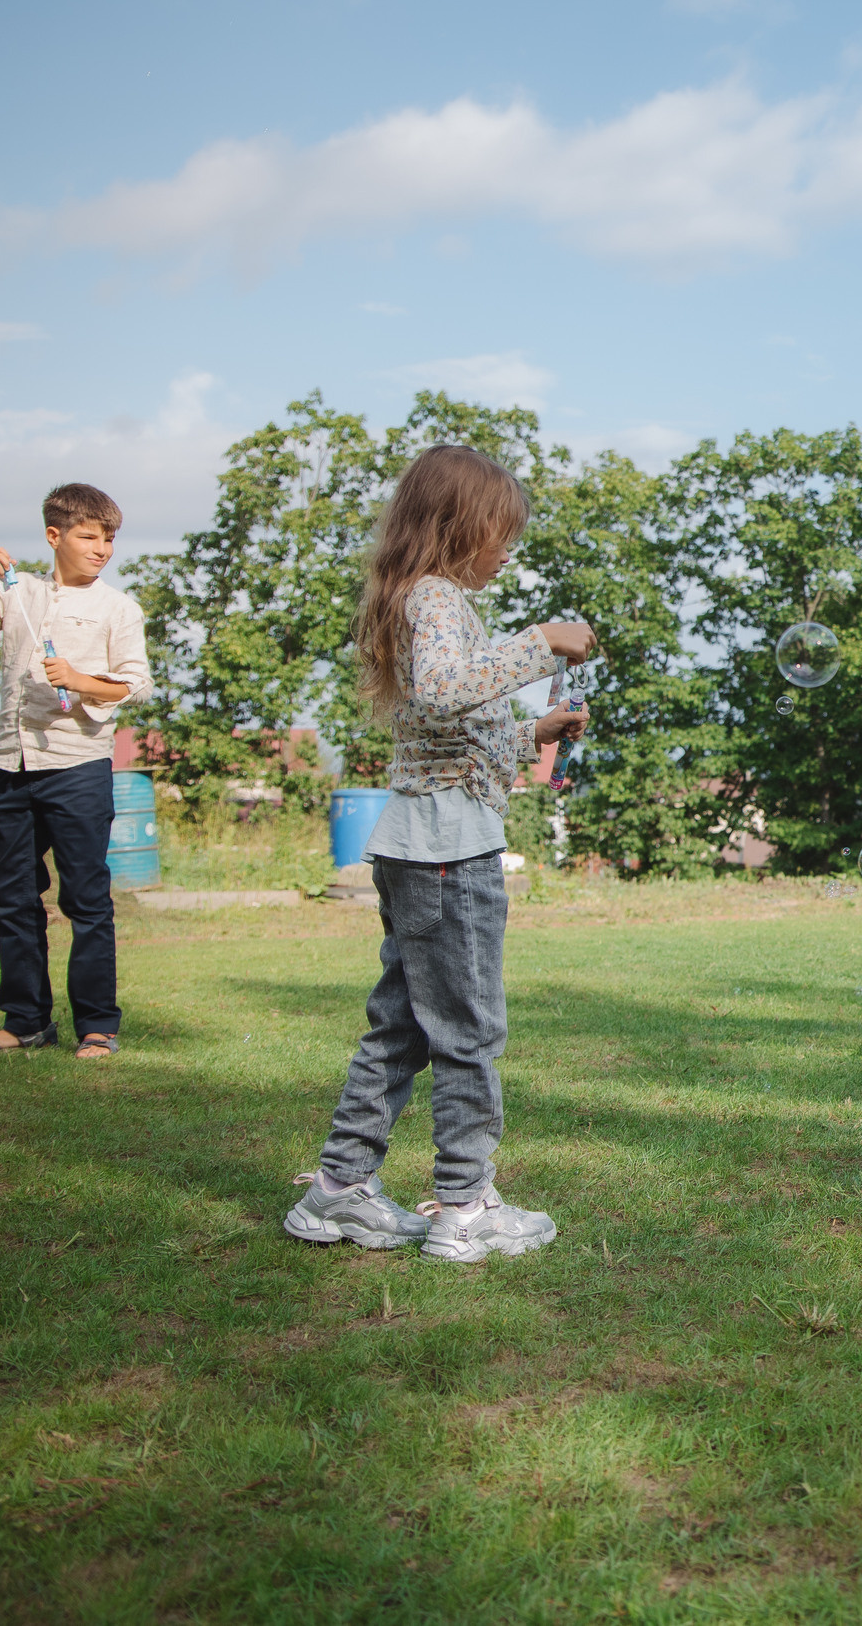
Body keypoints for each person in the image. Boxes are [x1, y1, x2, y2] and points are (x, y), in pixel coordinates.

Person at [282, 445, 593, 1262]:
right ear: (458, 526)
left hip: (421, 843)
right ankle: (464, 1204)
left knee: (403, 1026)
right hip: (450, 851)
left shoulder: (421, 598)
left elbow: (444, 727)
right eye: (501, 534)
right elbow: (446, 689)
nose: (507, 551)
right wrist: (544, 642)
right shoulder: (437, 597)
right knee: (468, 1030)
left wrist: (533, 732)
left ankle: (338, 1188)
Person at [0, 483, 153, 1061]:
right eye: (89, 536)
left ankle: (97, 1027)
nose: (101, 549)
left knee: (86, 900)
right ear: (54, 536)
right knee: (13, 897)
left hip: (78, 768)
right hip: (13, 765)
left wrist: (79, 680)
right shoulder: (17, 593)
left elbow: (135, 684)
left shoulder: (118, 607)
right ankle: (26, 1022)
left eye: (109, 539)